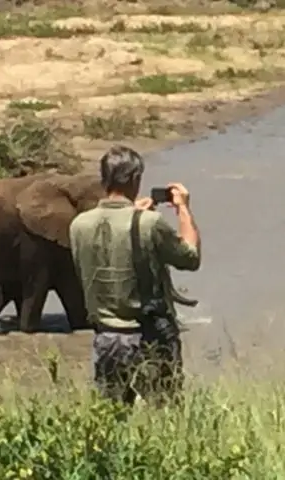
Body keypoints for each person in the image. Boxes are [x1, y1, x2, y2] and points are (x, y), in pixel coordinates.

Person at [69, 145, 201, 407]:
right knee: (165, 415)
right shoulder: (148, 223)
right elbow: (190, 257)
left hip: (106, 338)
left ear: (105, 179)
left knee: (112, 416)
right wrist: (183, 210)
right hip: (148, 336)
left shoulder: (79, 225)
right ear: (135, 179)